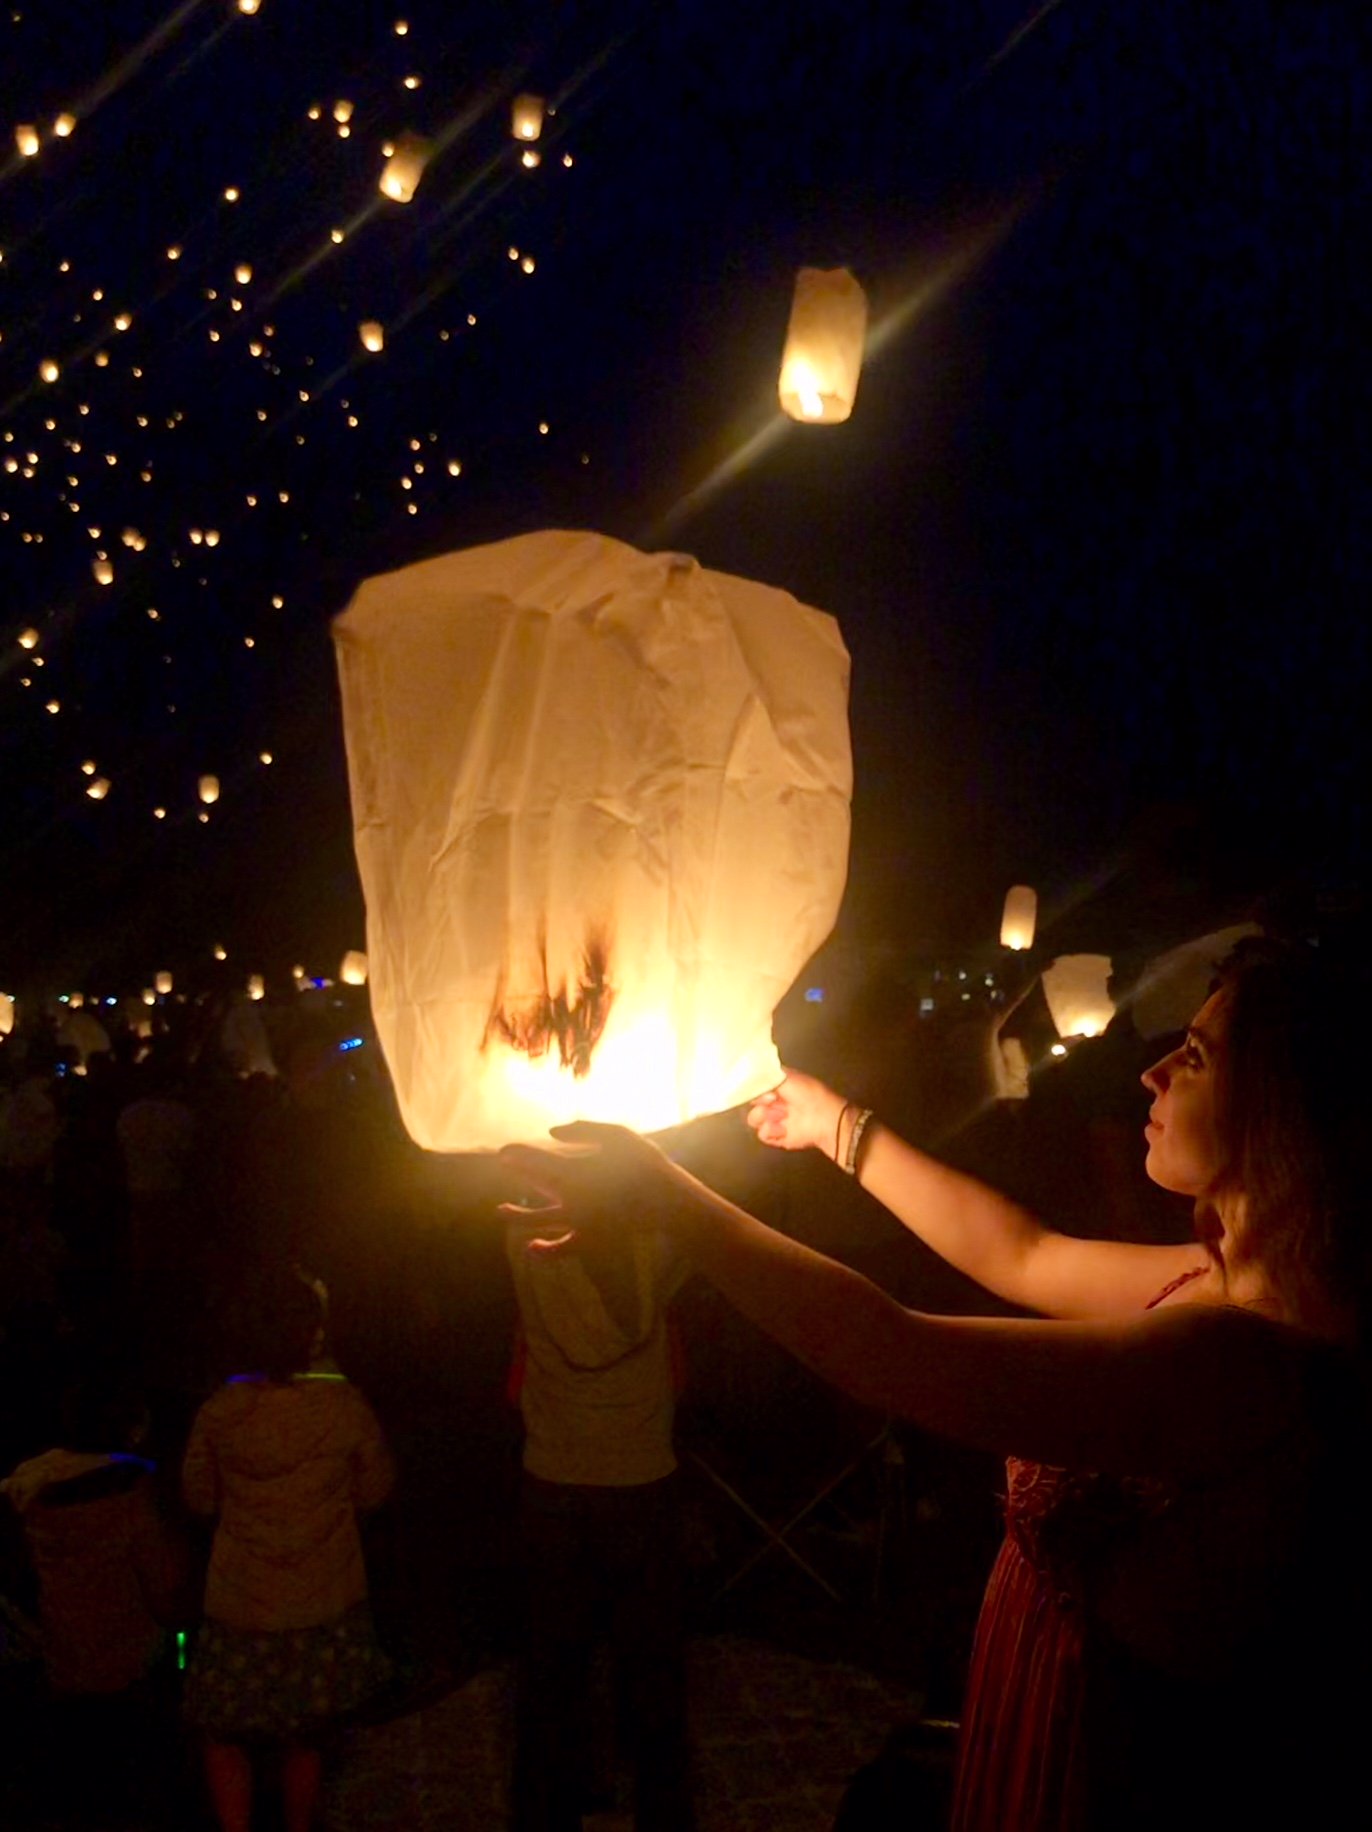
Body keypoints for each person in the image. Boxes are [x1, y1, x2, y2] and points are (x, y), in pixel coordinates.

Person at [501, 937, 1368, 1831]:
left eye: (1192, 1058)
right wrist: (833, 1125)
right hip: (1042, 1708)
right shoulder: (1215, 1281)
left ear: (1284, 1114)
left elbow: (892, 1353)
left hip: (1104, 1763)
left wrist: (667, 1199)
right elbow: (1019, 1253)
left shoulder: (1238, 1360)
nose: (1150, 1074)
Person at [182, 1265, 394, 1832]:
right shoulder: (344, 1406)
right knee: (305, 1737)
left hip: (240, 1604)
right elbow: (376, 1489)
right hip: (320, 1604)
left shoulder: (218, 1414)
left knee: (223, 1733)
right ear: (310, 1332)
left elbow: (198, 1500)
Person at [505, 1210, 693, 1830]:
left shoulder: (517, 1224)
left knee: (550, 1678)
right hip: (639, 1479)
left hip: (553, 1477)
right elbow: (694, 1246)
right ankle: (662, 1818)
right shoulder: (652, 1231)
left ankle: (546, 1816)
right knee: (655, 1683)